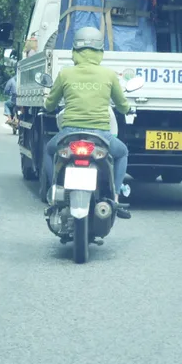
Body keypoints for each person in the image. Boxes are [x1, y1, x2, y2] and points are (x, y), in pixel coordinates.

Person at [42, 26, 132, 219]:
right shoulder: (108, 75)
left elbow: (50, 104)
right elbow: (122, 105)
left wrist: (48, 105)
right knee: (122, 152)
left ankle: (53, 190)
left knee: (49, 151)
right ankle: (115, 196)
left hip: (69, 134)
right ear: (100, 52)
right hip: (101, 136)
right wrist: (127, 109)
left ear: (75, 51)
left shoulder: (65, 74)